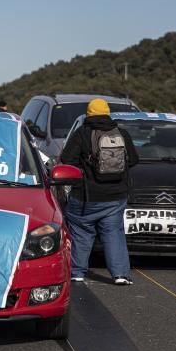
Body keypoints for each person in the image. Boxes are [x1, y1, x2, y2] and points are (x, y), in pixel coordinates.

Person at [60, 99, 139, 285]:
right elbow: (134, 160)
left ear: (89, 114)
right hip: (115, 196)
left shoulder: (82, 133)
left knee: (81, 231)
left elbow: (66, 159)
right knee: (113, 232)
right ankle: (120, 274)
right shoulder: (121, 133)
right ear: (107, 112)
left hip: (86, 196)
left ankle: (77, 272)